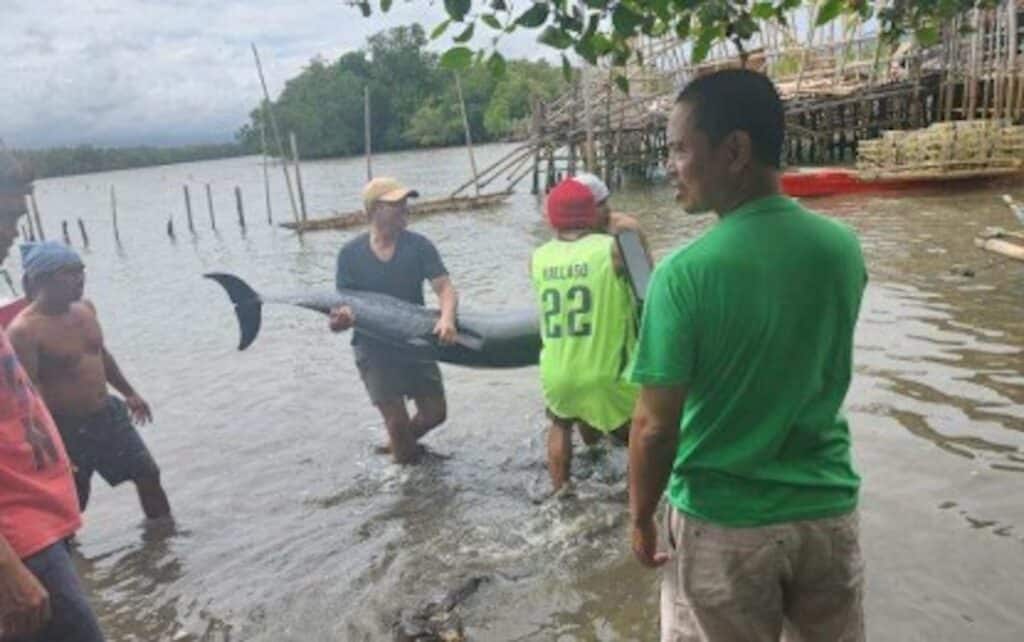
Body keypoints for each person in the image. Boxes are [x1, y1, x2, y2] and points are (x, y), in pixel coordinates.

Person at [628, 69, 866, 641]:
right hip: (827, 512)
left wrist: (639, 517)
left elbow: (654, 429)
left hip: (724, 524)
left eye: (681, 149)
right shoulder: (842, 249)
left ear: (733, 150)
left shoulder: (683, 276)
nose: (669, 167)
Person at [0, 150, 105, 641]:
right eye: (7, 216)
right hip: (19, 542)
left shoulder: (78, 312)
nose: (13, 233)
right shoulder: (25, 326)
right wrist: (9, 569)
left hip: (39, 523)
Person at [8, 241, 170, 520]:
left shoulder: (85, 308)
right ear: (41, 279)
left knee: (148, 474)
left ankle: (165, 545)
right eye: (67, 273)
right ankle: (71, 559)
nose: (79, 278)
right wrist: (48, 439)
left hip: (107, 414)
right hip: (67, 428)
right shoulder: (24, 331)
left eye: (80, 270)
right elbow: (30, 392)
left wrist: (129, 393)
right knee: (72, 501)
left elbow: (100, 355)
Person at [328, 177, 458, 464]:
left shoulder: (419, 245)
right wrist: (341, 321)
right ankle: (408, 492)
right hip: (372, 348)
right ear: (374, 211)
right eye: (396, 204)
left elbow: (445, 288)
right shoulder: (350, 254)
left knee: (435, 414)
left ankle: (398, 450)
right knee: (397, 423)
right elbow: (340, 311)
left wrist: (447, 318)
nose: (404, 209)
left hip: (415, 341)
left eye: (405, 203)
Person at [530, 178, 639, 493]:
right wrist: (630, 230)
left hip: (558, 372)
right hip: (606, 372)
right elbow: (649, 288)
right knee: (640, 436)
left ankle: (561, 493)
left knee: (560, 424)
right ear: (592, 213)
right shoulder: (613, 250)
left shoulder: (537, 258)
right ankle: (641, 504)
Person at [572, 171, 652, 259]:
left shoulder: (624, 230)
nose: (607, 209)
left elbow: (640, 270)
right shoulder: (568, 234)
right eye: (600, 204)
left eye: (604, 203)